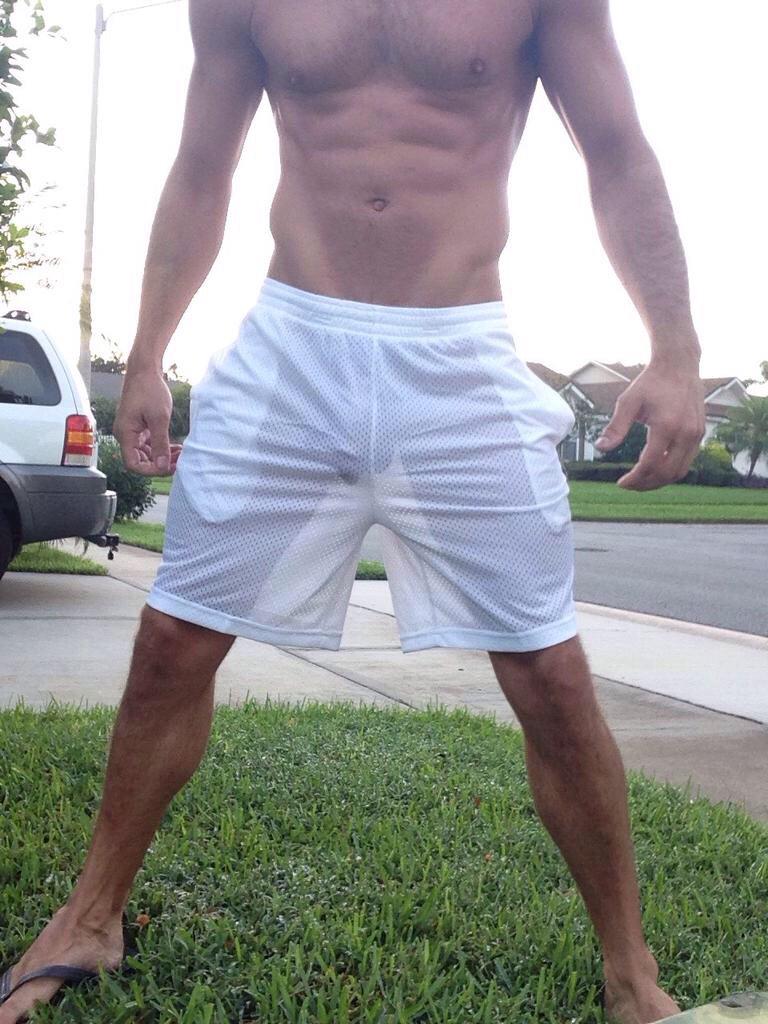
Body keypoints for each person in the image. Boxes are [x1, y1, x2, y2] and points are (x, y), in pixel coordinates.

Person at [0, 0, 706, 1021]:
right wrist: (147, 351)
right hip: (291, 345)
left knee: (551, 673)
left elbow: (618, 151)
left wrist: (676, 347)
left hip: (460, 355)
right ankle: (91, 917)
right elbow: (202, 166)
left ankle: (632, 977)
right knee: (171, 642)